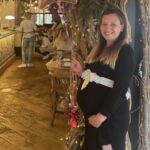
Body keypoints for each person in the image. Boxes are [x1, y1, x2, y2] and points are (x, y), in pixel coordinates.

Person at [71, 8, 135, 150]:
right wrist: (81, 71)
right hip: (93, 117)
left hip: (109, 120)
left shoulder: (125, 51)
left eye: (113, 24)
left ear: (122, 27)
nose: (107, 29)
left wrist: (102, 115)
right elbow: (98, 79)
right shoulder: (99, 48)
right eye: (104, 24)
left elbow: (120, 88)